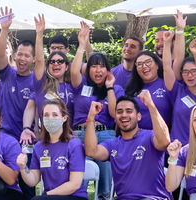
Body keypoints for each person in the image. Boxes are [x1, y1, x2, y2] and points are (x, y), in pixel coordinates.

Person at [70, 21, 123, 200]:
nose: (98, 69)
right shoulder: (80, 85)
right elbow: (74, 71)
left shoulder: (116, 88)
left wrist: (109, 88)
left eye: (102, 66)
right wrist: (81, 44)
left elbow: (115, 114)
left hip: (106, 136)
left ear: (108, 70)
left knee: (105, 187)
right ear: (88, 69)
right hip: (81, 134)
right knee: (80, 179)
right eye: (94, 66)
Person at [84, 92, 171, 200]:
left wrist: (151, 105)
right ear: (115, 118)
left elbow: (164, 141)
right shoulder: (112, 144)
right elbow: (91, 152)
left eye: (129, 111)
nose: (124, 115)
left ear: (138, 116)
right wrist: (91, 117)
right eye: (119, 112)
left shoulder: (150, 136)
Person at [0, 8, 37, 199]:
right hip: (5, 138)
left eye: (27, 55)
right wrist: (4, 30)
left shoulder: (37, 79)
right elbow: (0, 53)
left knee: (27, 185)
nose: (22, 58)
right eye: (20, 54)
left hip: (26, 140)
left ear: (34, 59)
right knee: (4, 184)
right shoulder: (8, 74)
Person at [18, 99, 87, 200]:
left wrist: (47, 195)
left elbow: (75, 184)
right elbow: (33, 181)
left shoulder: (74, 144)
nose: (50, 118)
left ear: (64, 118)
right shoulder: (38, 147)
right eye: (46, 115)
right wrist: (23, 168)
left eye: (55, 115)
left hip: (74, 196)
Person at [23, 14, 76, 141]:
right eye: (52, 62)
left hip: (70, 140)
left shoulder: (74, 86)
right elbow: (40, 61)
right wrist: (39, 34)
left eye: (60, 61)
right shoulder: (41, 85)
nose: (56, 64)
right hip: (46, 140)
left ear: (67, 66)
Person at [124, 50, 175, 130]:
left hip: (162, 137)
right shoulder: (130, 89)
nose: (144, 66)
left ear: (157, 65)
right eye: (139, 64)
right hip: (135, 138)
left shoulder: (167, 85)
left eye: (148, 62)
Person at [169, 57, 196, 145]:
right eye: (185, 72)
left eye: (194, 71)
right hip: (178, 148)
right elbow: (167, 68)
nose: (189, 75)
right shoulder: (177, 90)